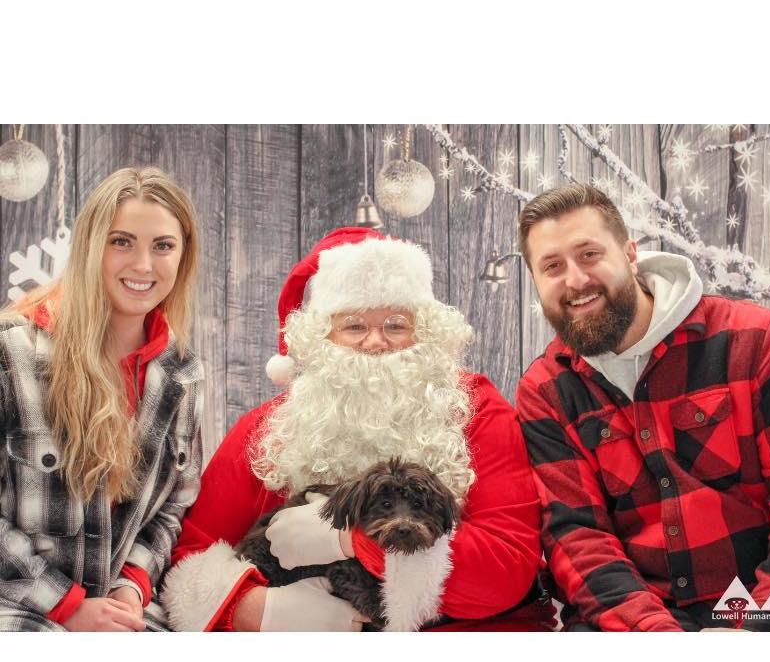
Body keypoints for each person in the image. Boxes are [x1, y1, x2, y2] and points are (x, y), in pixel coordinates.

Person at [161, 226, 542, 631]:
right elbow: (191, 557)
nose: (376, 342)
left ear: (426, 332)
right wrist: (256, 609)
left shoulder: (475, 410)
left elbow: (506, 571)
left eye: (396, 325)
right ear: (323, 337)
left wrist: (353, 542)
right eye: (355, 326)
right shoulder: (268, 429)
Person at [515, 182, 770, 631]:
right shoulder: (545, 390)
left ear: (629, 253)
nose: (576, 280)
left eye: (589, 254)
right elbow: (577, 538)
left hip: (769, 601)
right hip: (634, 618)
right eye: (552, 266)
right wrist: (659, 639)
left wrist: (760, 631)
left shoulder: (754, 340)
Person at [0, 167, 203, 631]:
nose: (143, 265)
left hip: (118, 609)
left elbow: (174, 506)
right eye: (121, 242)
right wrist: (67, 606)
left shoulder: (182, 375)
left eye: (163, 246)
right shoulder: (12, 354)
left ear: (183, 256)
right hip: (16, 600)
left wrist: (131, 585)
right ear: (91, 246)